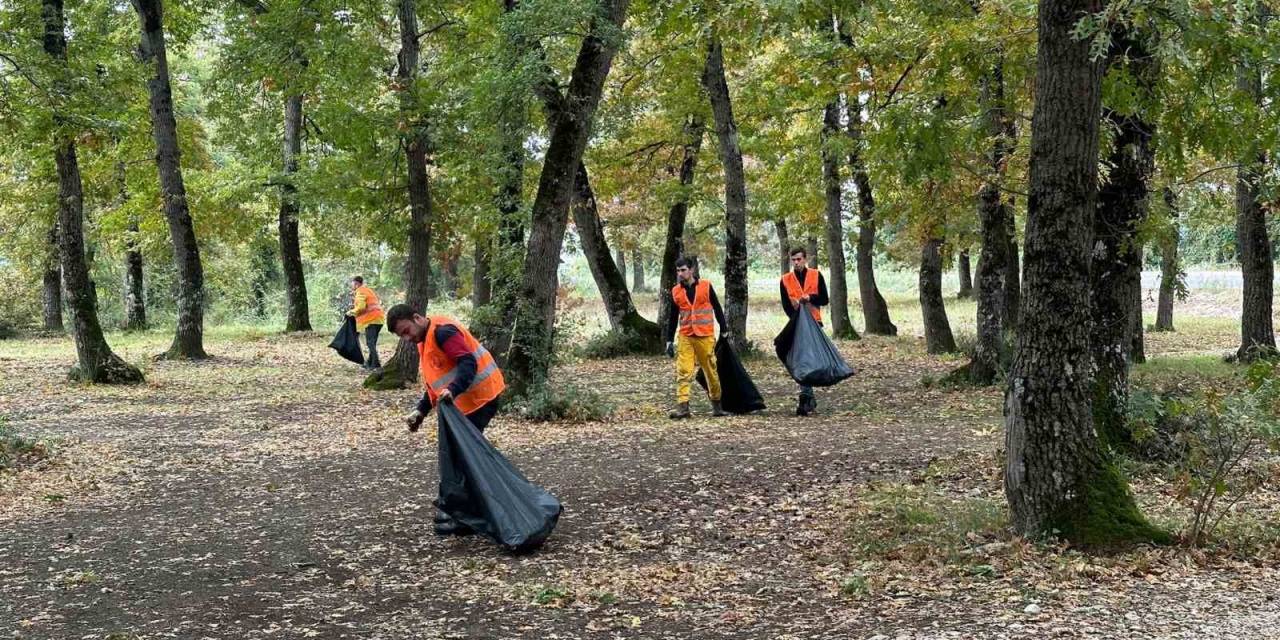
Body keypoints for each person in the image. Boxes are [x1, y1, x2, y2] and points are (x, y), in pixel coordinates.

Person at [387, 303, 506, 536]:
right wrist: (420, 411)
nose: (406, 338)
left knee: (461, 457)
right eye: (402, 335)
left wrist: (454, 389)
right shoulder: (425, 340)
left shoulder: (443, 332)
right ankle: (461, 512)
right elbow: (437, 382)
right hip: (465, 403)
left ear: (417, 318)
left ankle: (466, 514)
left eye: (406, 331)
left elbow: (468, 363)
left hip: (481, 398)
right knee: (458, 455)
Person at [664, 256, 730, 420]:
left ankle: (717, 405)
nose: (680, 273)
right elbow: (673, 317)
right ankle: (683, 407)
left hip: (705, 335)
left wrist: (724, 328)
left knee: (710, 370)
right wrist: (669, 340)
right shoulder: (676, 291)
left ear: (691, 270)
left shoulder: (706, 286)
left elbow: (717, 307)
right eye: (678, 271)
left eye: (683, 270)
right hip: (686, 335)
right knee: (683, 371)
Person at [780, 246, 829, 416]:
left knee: (812, 361)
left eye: (799, 259)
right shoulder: (785, 279)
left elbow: (825, 299)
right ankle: (807, 396)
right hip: (797, 325)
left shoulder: (816, 275)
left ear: (805, 259)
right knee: (802, 361)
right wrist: (795, 314)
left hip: (815, 323)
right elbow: (785, 305)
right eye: (793, 260)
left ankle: (808, 396)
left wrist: (810, 298)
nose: (796, 262)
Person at [347, 276, 385, 370]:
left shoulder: (360, 291)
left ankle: (375, 364)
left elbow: (361, 307)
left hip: (371, 320)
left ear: (356, 284)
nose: (351, 285)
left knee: (370, 343)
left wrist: (351, 312)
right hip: (379, 319)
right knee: (372, 343)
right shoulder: (368, 290)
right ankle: (369, 362)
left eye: (352, 283)